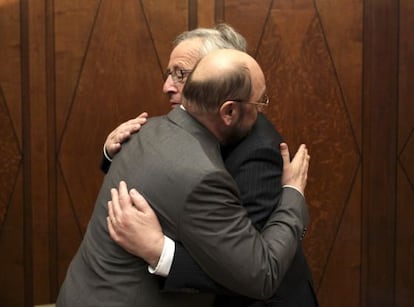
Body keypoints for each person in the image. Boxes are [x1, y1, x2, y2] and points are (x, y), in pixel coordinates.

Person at [56, 48, 310, 306]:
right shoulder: (204, 177)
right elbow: (263, 275)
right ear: (229, 112)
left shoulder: (142, 129)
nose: (261, 112)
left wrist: (160, 250)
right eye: (260, 102)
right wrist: (293, 192)